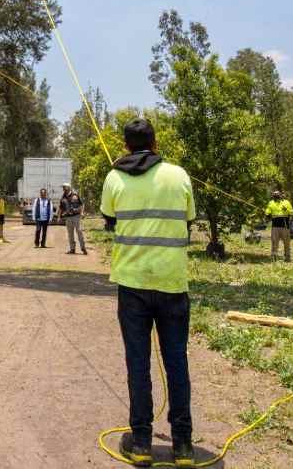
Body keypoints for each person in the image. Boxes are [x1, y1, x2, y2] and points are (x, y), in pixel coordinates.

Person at [101, 118, 196, 468]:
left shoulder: (114, 177)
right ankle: (183, 444)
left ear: (126, 145)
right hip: (172, 284)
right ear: (155, 142)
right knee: (177, 363)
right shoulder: (179, 175)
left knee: (138, 364)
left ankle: (141, 442)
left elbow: (109, 219)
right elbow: (187, 221)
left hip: (133, 286)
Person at [266, 190, 293, 262]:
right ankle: (274, 256)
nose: (276, 195)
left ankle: (287, 257)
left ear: (281, 195)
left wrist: (286, 210)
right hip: (275, 225)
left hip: (285, 225)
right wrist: (267, 214)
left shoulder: (286, 202)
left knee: (286, 242)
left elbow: (291, 212)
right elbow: (268, 211)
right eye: (274, 194)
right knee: (274, 241)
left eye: (277, 194)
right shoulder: (271, 203)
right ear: (273, 196)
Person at [59, 183, 87, 255]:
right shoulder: (63, 197)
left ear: (68, 188)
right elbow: (61, 208)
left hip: (76, 217)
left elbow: (81, 204)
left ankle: (83, 248)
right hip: (68, 218)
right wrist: (59, 216)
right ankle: (72, 249)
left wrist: (82, 212)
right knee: (70, 234)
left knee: (79, 231)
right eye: (63, 188)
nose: (63, 189)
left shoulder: (75, 195)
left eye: (64, 187)